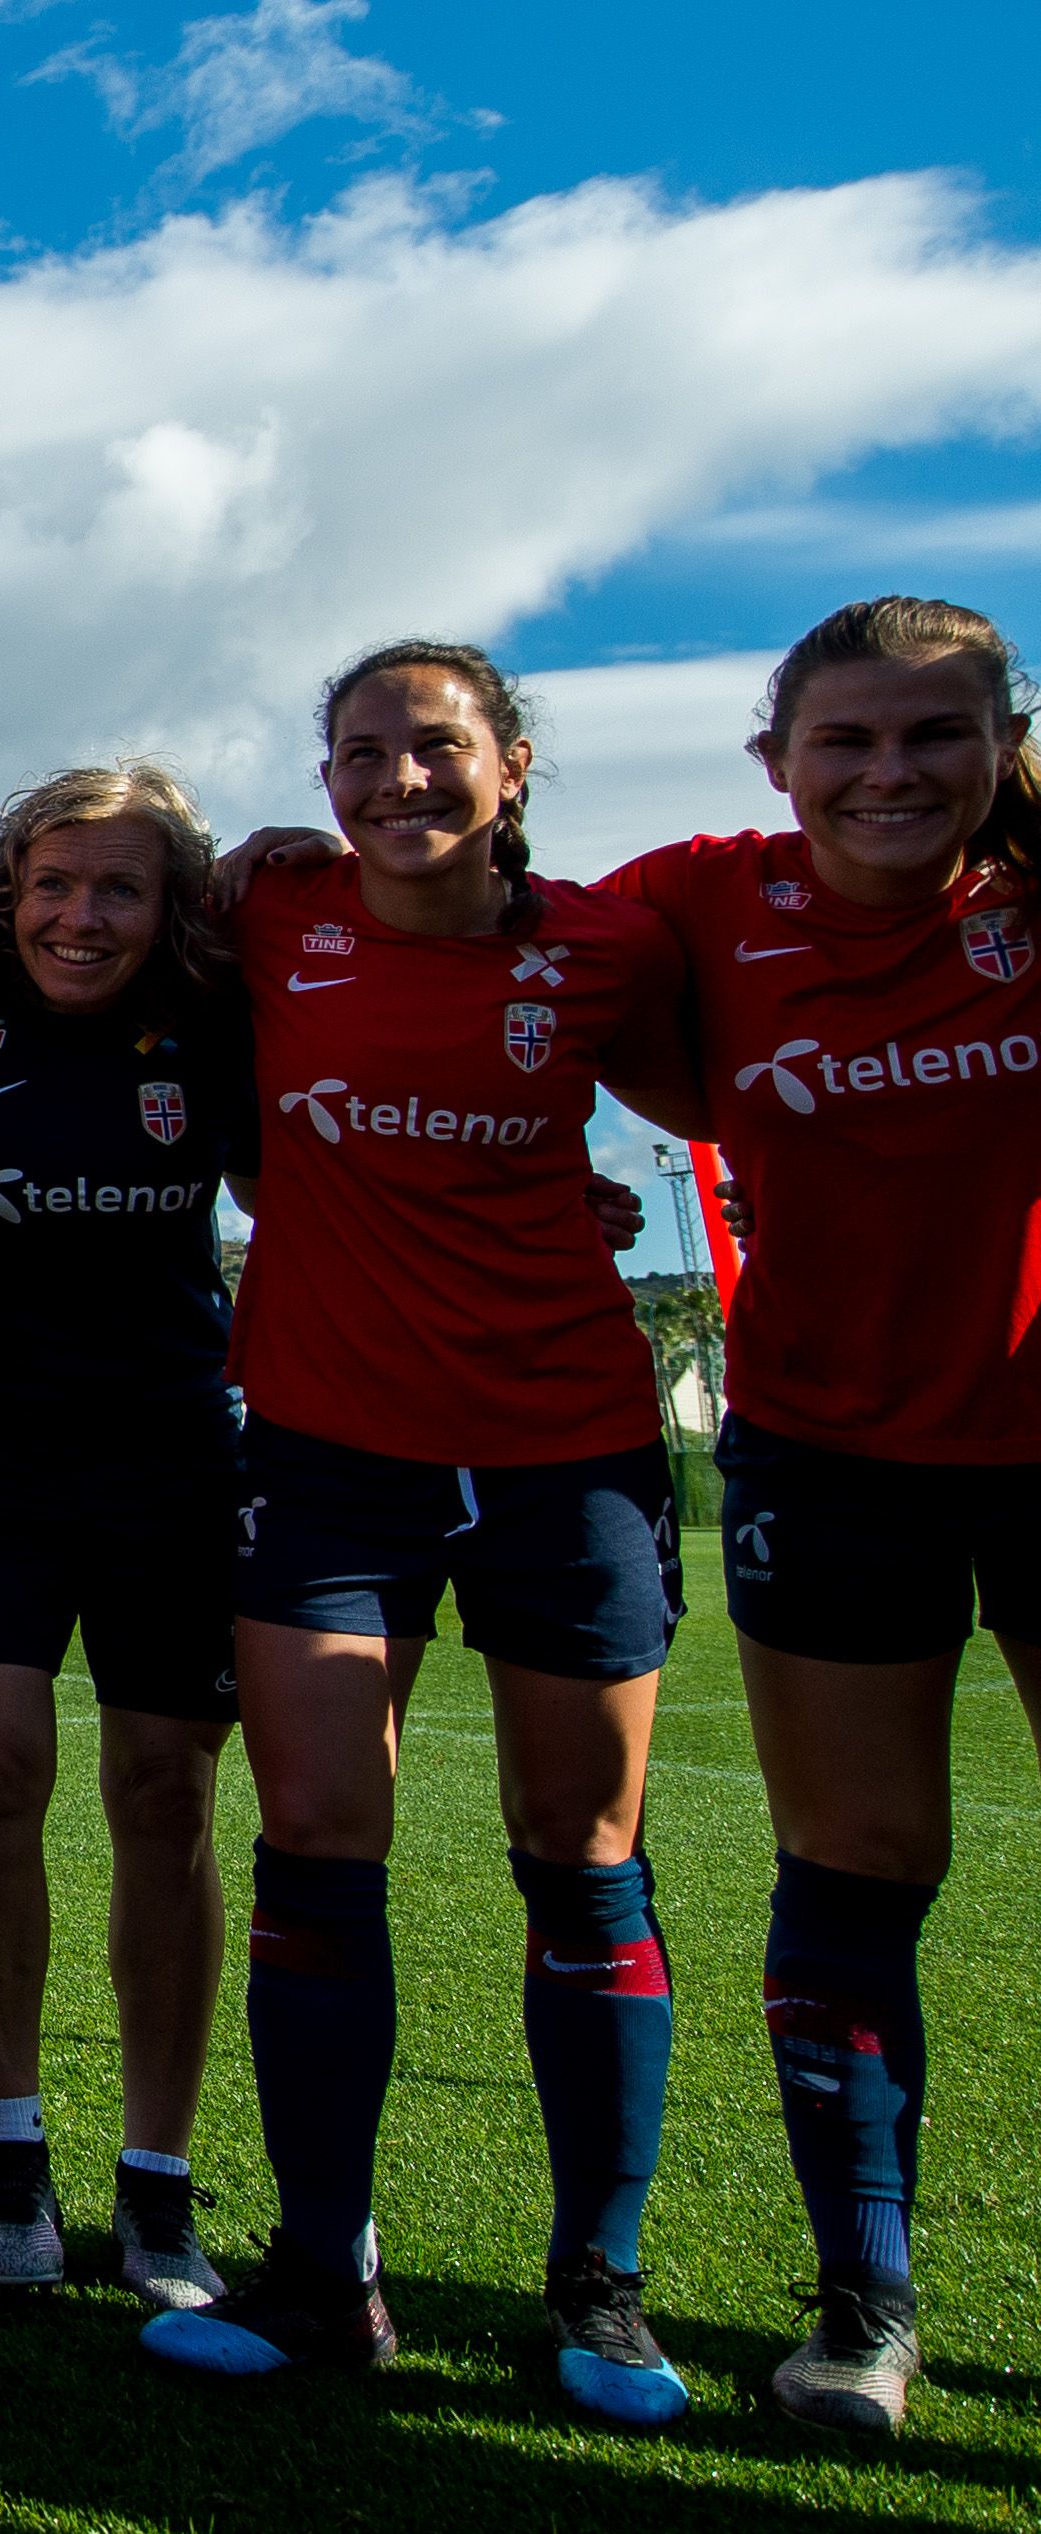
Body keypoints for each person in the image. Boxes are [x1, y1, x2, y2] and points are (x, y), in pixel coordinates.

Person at [143, 641, 696, 2432]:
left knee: (581, 1848)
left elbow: (719, 1097)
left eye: (437, 746)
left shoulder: (610, 948)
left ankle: (600, 2286)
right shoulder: (272, 910)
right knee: (315, 1834)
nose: (398, 780)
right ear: (325, 782)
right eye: (362, 751)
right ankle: (325, 2276)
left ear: (513, 764)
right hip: (327, 1454)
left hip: (565, 1449)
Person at [594, 597, 1041, 2434]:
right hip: (835, 1453)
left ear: (1006, 747)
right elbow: (490, 940)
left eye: (938, 734)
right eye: (846, 739)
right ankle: (867, 2306)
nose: (889, 774)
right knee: (858, 1866)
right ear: (777, 760)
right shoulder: (698, 903)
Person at [0, 763, 247, 2309]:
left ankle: (158, 2182)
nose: (80, 916)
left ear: (171, 907)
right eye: (53, 884)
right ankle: (10, 2158)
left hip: (171, 1454)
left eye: (119, 887)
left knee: (166, 1794)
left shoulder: (214, 1022)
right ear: (11, 893)